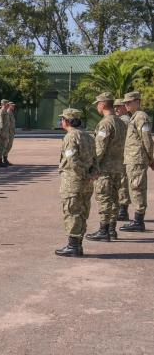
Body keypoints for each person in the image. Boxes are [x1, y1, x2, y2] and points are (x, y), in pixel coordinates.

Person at [55, 108, 98, 257]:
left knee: (72, 212)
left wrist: (84, 175)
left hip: (74, 181)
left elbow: (72, 160)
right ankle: (77, 245)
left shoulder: (71, 137)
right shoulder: (88, 137)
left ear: (67, 121)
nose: (61, 122)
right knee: (82, 212)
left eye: (62, 119)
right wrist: (92, 174)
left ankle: (73, 246)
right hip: (87, 182)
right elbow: (95, 159)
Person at [86, 93, 127, 242]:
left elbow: (99, 148)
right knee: (114, 198)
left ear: (102, 105)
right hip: (118, 167)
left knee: (104, 198)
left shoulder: (105, 123)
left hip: (105, 168)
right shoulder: (121, 122)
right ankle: (111, 229)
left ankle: (104, 230)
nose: (97, 106)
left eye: (98, 104)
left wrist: (91, 166)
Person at [120, 91, 153, 232]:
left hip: (137, 159)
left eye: (129, 102)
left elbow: (147, 139)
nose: (126, 105)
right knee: (134, 188)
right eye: (125, 102)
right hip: (132, 159)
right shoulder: (134, 117)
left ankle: (138, 221)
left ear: (138, 102)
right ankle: (137, 220)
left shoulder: (141, 117)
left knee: (137, 188)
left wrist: (151, 158)